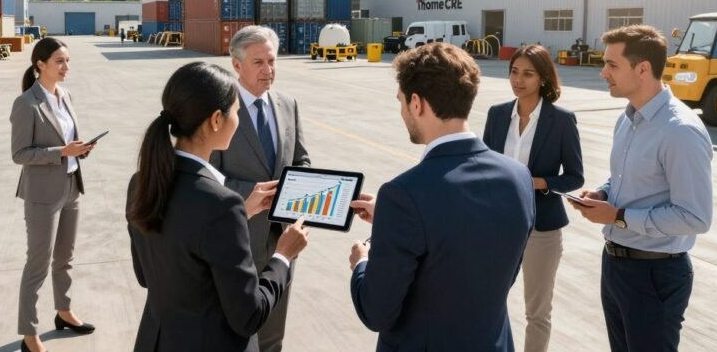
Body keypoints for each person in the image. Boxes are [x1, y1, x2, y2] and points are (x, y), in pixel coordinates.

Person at [348, 43, 536, 352]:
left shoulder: (404, 194)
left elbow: (376, 311)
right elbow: (479, 261)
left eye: (401, 101)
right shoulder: (518, 177)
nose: (401, 111)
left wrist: (361, 264)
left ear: (417, 104)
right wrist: (393, 223)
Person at [126, 61, 310, 352]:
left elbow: (145, 274)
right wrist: (283, 257)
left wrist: (242, 213)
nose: (238, 120)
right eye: (236, 112)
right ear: (215, 120)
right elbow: (249, 316)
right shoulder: (221, 206)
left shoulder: (141, 183)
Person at [571, 25, 713, 352]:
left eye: (612, 65)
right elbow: (627, 179)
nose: (603, 72)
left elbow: (695, 217)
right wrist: (603, 194)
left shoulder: (680, 131)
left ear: (643, 69)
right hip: (617, 266)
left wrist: (618, 216)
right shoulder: (628, 119)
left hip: (656, 273)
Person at [209, 25, 310, 352]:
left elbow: (302, 159)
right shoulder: (219, 109)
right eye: (258, 63)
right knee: (234, 328)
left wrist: (304, 190)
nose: (268, 70)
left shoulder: (288, 103)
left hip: (282, 236)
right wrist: (255, 192)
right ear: (236, 65)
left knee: (273, 329)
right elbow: (206, 174)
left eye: (272, 61)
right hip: (237, 234)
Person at [483, 44, 585, 352]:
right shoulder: (498, 114)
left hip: (543, 228)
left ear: (543, 79)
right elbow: (485, 166)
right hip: (498, 226)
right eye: (514, 72)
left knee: (537, 313)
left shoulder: (561, 120)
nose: (518, 80)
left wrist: (537, 182)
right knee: (486, 303)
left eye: (527, 74)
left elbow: (575, 177)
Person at [10, 37, 98, 352]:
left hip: (71, 186)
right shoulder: (26, 103)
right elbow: (19, 154)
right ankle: (29, 334)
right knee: (38, 263)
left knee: (65, 258)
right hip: (41, 194)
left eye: (68, 61)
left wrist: (80, 150)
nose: (66, 67)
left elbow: (69, 139)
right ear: (40, 65)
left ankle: (64, 312)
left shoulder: (66, 95)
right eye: (60, 61)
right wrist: (62, 151)